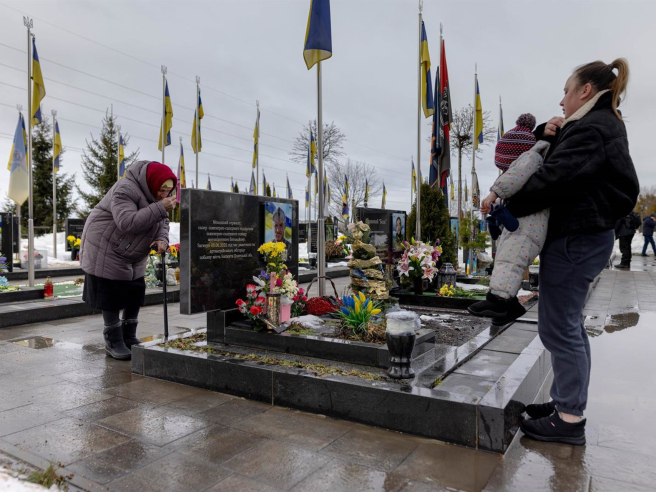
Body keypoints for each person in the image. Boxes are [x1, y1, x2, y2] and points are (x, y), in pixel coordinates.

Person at [500, 59, 638, 445]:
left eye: (566, 91)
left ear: (586, 91)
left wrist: (509, 204)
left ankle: (569, 419)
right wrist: (545, 132)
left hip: (578, 237)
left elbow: (554, 178)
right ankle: (566, 402)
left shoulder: (592, 127)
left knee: (559, 327)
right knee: (568, 324)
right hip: (583, 235)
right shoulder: (597, 123)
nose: (561, 100)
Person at [80, 161, 177, 360]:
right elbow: (126, 222)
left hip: (132, 249)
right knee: (110, 295)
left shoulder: (156, 198)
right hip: (105, 246)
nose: (164, 194)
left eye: (168, 190)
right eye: (161, 189)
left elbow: (163, 222)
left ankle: (129, 336)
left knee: (135, 292)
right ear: (151, 183)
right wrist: (160, 207)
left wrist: (162, 239)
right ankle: (113, 341)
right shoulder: (125, 189)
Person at [468, 114, 543, 324]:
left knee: (512, 258)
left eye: (505, 167)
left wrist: (494, 193)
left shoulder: (531, 159)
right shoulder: (529, 163)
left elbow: (514, 177)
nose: (503, 171)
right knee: (507, 258)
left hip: (530, 222)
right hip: (523, 220)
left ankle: (500, 301)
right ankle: (509, 306)